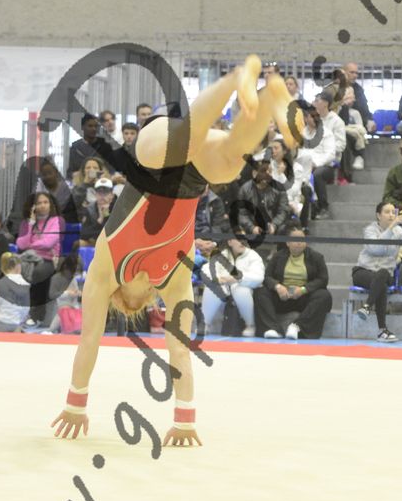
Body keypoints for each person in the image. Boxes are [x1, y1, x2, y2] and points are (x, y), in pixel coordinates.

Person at [50, 58, 299, 445]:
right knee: (231, 159)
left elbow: (89, 341)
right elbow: (179, 351)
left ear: (123, 295)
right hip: (189, 181)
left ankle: (237, 78)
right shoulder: (173, 278)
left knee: (186, 140)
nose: (146, 297)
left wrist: (76, 402)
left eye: (138, 301)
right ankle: (268, 99)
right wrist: (184, 420)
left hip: (152, 160)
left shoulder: (106, 268)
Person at [352, 202, 402, 342]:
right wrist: (391, 227)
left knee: (382, 274)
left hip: (385, 274)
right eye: (387, 212)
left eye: (393, 212)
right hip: (363, 272)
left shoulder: (399, 232)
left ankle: (367, 306)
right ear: (378, 215)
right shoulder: (370, 230)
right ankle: (382, 331)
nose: (391, 215)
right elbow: (376, 249)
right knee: (380, 284)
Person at [255, 228, 332, 340]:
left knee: (324, 295)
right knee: (260, 292)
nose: (299, 242)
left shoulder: (316, 257)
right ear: (288, 243)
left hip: (303, 297)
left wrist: (303, 289)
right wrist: (278, 287)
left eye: (302, 239)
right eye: (295, 239)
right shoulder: (278, 256)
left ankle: (297, 327)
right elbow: (267, 277)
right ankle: (273, 329)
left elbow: (323, 279)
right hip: (282, 296)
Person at [200, 235, 265, 337]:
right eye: (238, 239)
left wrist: (237, 279)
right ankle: (205, 324)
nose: (242, 242)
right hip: (224, 294)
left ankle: (250, 325)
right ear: (230, 242)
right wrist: (217, 278)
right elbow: (206, 269)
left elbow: (258, 277)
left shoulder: (253, 256)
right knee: (213, 287)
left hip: (248, 295)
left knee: (240, 290)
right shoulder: (222, 255)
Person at [232, 159, 291, 250]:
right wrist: (251, 227)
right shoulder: (244, 189)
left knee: (285, 228)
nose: (267, 175)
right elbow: (242, 213)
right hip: (252, 224)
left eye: (270, 172)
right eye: (263, 171)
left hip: (273, 223)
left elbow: (283, 210)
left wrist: (274, 225)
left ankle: (280, 253)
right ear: (254, 173)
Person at [16, 192, 65, 263]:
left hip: (49, 259)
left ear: (51, 205)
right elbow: (21, 245)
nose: (43, 206)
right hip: (28, 257)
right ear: (33, 207)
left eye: (46, 202)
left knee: (35, 269)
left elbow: (48, 244)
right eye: (39, 203)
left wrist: (30, 246)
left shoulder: (58, 220)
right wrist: (31, 224)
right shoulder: (26, 222)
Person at [0, 253, 31, 332]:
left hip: (0, 322)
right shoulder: (26, 285)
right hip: (16, 324)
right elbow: (26, 309)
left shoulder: (0, 284)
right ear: (19, 267)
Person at [342, 61, 376, 135]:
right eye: (352, 72)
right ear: (344, 73)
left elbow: (364, 108)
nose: (355, 75)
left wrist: (370, 120)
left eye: (356, 73)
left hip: (357, 119)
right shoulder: (335, 87)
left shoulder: (358, 89)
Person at [79, 177, 116, 243]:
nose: (102, 196)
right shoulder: (90, 209)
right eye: (99, 193)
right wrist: (100, 220)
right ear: (95, 194)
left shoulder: (117, 207)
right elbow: (83, 234)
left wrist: (107, 216)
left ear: (112, 195)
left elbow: (114, 231)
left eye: (105, 192)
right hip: (96, 242)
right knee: (81, 242)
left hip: (114, 242)